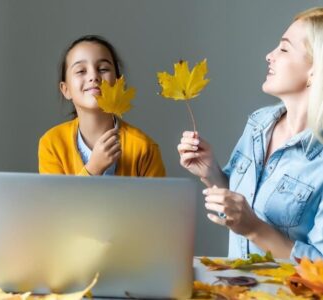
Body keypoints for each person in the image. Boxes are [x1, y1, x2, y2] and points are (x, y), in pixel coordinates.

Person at [178, 7, 323, 260]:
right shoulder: (259, 123)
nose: (269, 55)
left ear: (315, 70)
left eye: (284, 49)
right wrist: (210, 172)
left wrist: (255, 229)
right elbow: (239, 206)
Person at [39, 35, 166, 177]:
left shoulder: (145, 148)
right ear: (65, 89)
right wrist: (93, 169)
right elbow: (56, 199)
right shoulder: (52, 143)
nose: (93, 76)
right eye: (81, 71)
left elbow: (157, 200)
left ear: (118, 83)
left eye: (103, 69)